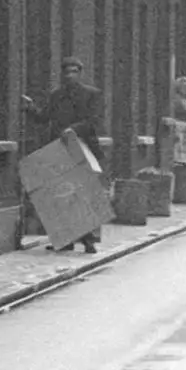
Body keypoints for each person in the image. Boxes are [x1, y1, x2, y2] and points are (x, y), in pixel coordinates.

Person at [22, 57, 108, 250]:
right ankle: (66, 240)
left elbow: (93, 121)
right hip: (59, 148)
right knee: (61, 194)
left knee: (83, 194)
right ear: (62, 74)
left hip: (83, 148)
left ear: (80, 73)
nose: (70, 76)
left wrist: (73, 129)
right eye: (67, 72)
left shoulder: (91, 95)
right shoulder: (56, 95)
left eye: (74, 72)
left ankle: (88, 241)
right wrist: (30, 109)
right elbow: (45, 118)